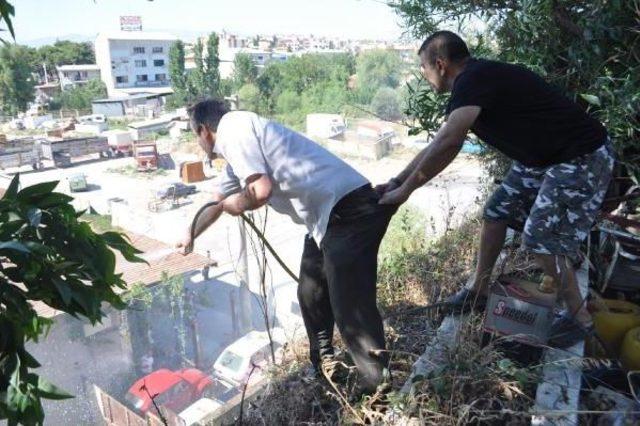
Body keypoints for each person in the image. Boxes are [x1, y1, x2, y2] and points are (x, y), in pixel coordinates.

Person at [377, 31, 614, 348]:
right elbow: (440, 141)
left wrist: (404, 192)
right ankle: (479, 290)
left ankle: (580, 319)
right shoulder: (474, 82)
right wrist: (397, 181)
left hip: (581, 156)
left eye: (423, 67)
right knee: (495, 212)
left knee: (542, 241)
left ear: (440, 64)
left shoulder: (474, 79)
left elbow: (450, 143)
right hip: (543, 158)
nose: (423, 74)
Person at [177, 99, 397, 392]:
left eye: (195, 135)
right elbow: (217, 202)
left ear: (205, 130)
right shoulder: (239, 145)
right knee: (311, 293)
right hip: (326, 218)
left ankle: (379, 393)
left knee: (350, 308)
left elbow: (259, 190)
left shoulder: (233, 129)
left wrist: (239, 203)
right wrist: (190, 233)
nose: (198, 142)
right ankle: (326, 368)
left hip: (348, 211)